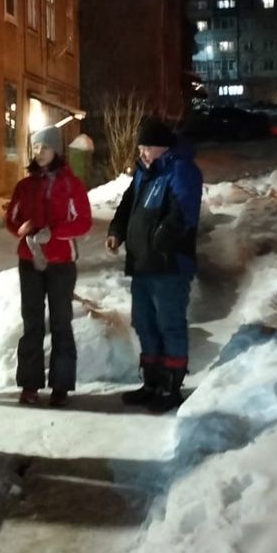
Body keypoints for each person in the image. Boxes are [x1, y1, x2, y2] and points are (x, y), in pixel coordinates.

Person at [106, 117, 203, 412]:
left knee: (169, 324)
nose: (142, 153)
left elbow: (183, 213)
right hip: (143, 265)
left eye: (146, 147)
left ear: (162, 147)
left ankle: (171, 387)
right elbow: (127, 206)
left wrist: (160, 241)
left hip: (169, 265)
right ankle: (151, 382)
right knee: (145, 323)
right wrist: (116, 232)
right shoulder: (144, 173)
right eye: (141, 147)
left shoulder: (181, 170)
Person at [5, 125, 92, 407]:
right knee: (31, 322)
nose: (38, 152)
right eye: (35, 147)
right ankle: (30, 384)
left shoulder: (71, 185)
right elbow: (12, 219)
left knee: (60, 322)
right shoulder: (24, 185)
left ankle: (61, 385)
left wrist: (54, 232)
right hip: (29, 261)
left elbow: (83, 222)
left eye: (44, 147)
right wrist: (23, 228)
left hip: (60, 263)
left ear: (56, 150)